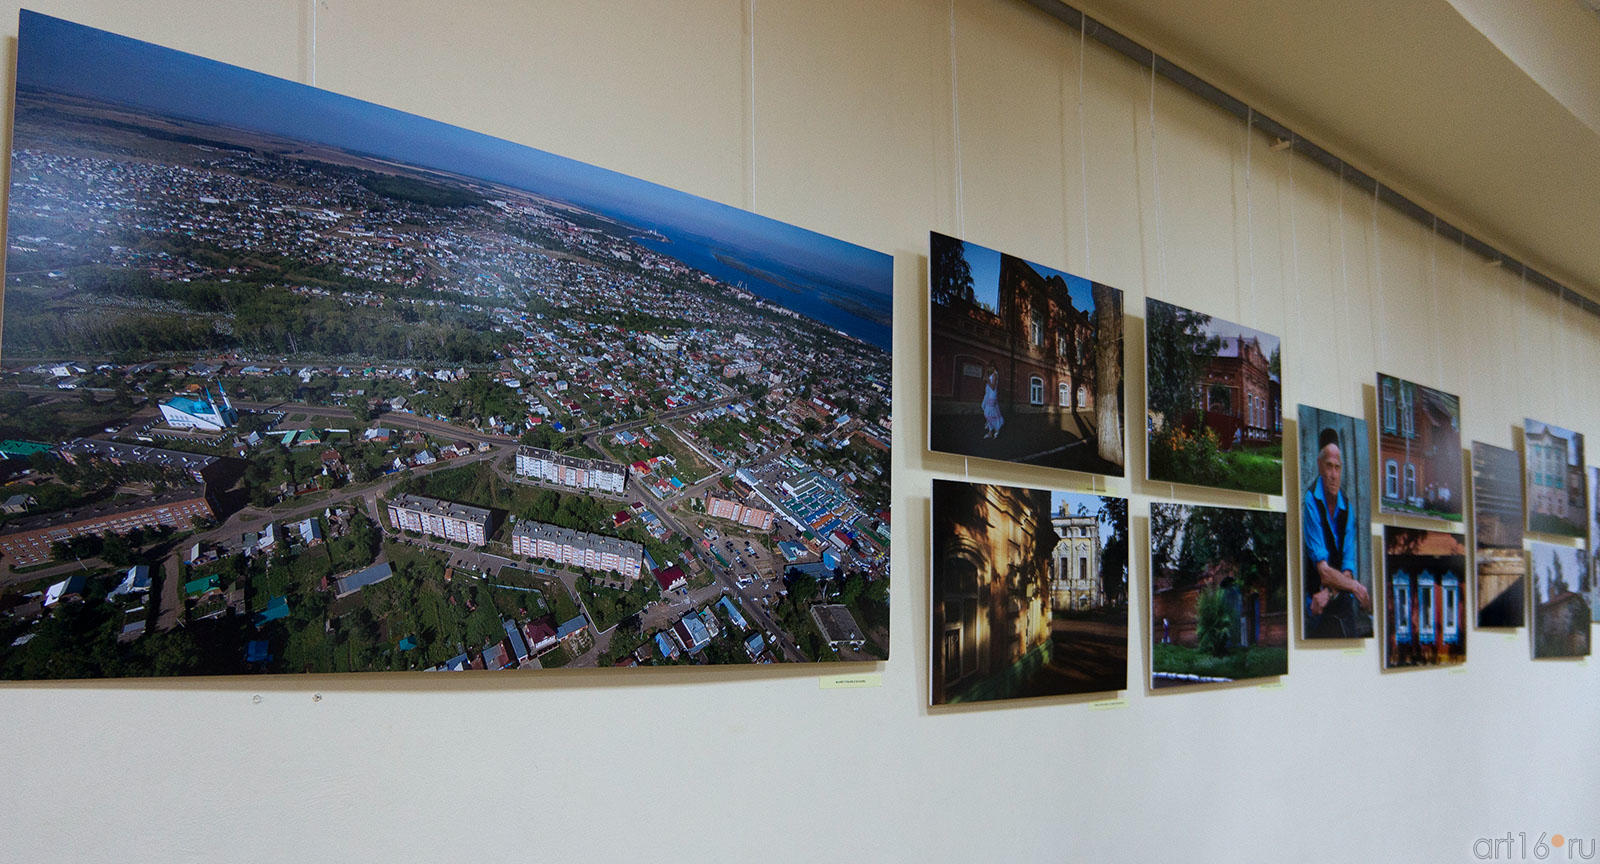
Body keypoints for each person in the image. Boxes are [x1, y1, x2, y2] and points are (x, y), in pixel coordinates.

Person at [1303, 427, 1371, 637]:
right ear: (1320, 466)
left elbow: (1347, 567)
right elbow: (1323, 572)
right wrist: (1356, 588)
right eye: (1329, 467)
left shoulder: (1347, 507)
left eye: (1337, 468)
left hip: (1336, 601)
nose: (1333, 475)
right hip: (1316, 609)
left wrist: (1330, 592)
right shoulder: (1311, 502)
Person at [981, 371, 1004, 439]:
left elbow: (993, 387)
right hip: (988, 394)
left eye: (989, 366)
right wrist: (985, 379)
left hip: (992, 395)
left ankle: (997, 427)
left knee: (988, 413)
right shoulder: (990, 374)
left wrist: (987, 379)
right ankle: (990, 432)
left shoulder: (995, 374)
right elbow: (986, 382)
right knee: (991, 411)